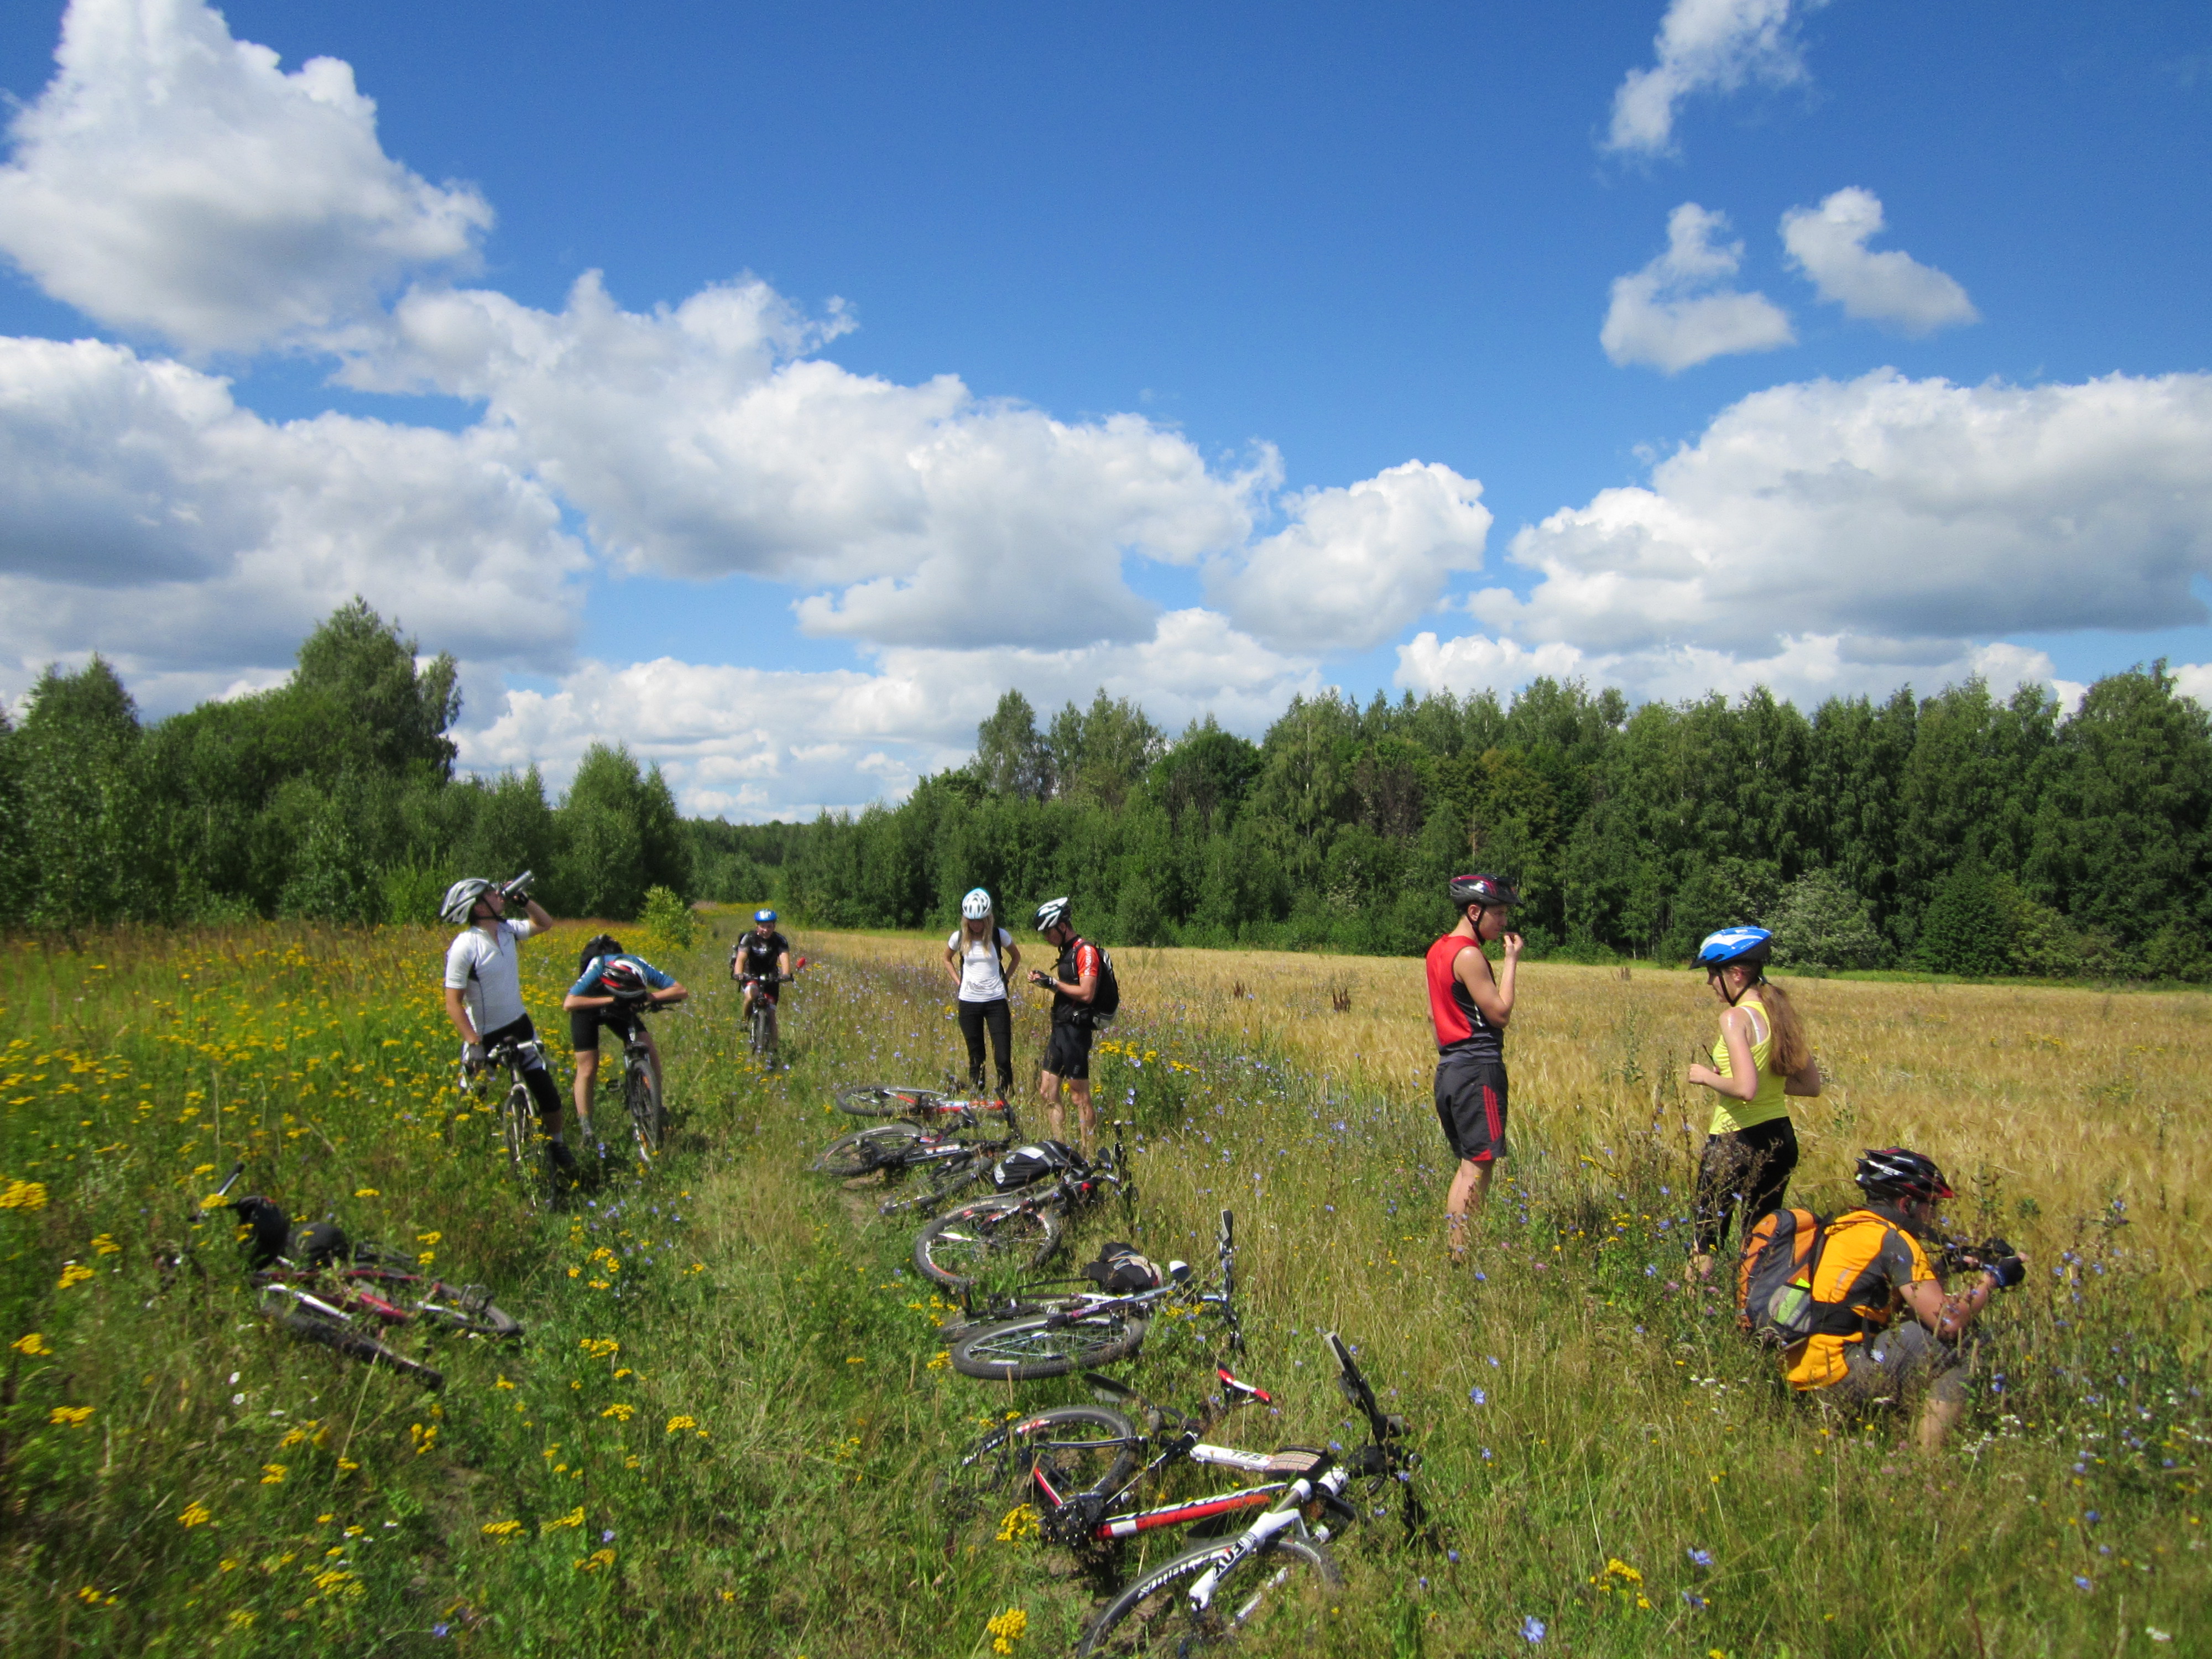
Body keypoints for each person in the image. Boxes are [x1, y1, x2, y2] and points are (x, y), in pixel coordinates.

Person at [1785, 1148, 2025, 1452]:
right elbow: (1947, 1322)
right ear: (1907, 1204)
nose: (1934, 1215)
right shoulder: (1894, 1238)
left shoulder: (1843, 1227)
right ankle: (1928, 1459)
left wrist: (1946, 1267)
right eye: (1932, 1205)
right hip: (1842, 1374)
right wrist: (1993, 1279)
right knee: (1969, 1341)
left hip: (1803, 1372)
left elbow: (1887, 1308)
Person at [1684, 926, 1820, 1280]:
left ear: (1736, 974)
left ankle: (1691, 1304)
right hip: (1779, 1139)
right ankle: (1756, 1306)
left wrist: (1706, 1076)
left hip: (1735, 1141)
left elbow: (1745, 1089)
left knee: (1705, 1239)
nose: (1709, 982)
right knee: (1760, 1241)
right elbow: (1810, 1085)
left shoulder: (1734, 1018)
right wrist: (1760, 1083)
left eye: (1712, 973)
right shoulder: (1779, 1013)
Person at [440, 875, 575, 1183]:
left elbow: (544, 923)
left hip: (519, 1025)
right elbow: (453, 1003)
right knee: (471, 1102)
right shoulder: (464, 946)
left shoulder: (507, 930)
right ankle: (464, 1155)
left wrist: (524, 902)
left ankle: (557, 1144)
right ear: (478, 907)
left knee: (547, 1093)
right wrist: (474, 1043)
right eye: (490, 894)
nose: (498, 895)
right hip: (484, 1035)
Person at [1424, 873, 1522, 1261]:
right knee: (1479, 1167)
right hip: (1478, 1069)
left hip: (1450, 1068)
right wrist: (1511, 962)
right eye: (1499, 914)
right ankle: (1463, 1252)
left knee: (1468, 1167)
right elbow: (1500, 1013)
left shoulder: (1438, 951)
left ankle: (1457, 1250)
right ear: (1475, 911)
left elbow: (1433, 1018)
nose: (1504, 922)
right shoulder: (1468, 954)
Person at [562, 933, 688, 1146]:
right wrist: (612, 999)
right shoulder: (598, 967)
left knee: (649, 1049)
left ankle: (655, 1104)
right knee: (588, 1068)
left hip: (622, 1005)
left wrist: (646, 997)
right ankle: (586, 1128)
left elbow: (681, 990)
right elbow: (570, 1003)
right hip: (587, 1008)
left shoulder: (637, 963)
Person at [1027, 896, 1102, 1152]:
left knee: (1079, 1096)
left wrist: (1054, 983)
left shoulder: (1086, 951)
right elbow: (1067, 990)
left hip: (1076, 1031)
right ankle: (1060, 1149)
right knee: (1047, 1092)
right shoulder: (1067, 952)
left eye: (1048, 932)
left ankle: (1087, 1153)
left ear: (1062, 926)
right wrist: (1045, 982)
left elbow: (1087, 993)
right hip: (1059, 1029)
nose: (1046, 938)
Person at [944, 888, 1019, 1099]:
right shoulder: (959, 937)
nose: (976, 925)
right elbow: (946, 959)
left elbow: (1016, 957)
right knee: (976, 1057)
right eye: (972, 920)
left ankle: (1007, 1098)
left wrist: (1005, 979)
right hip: (969, 1003)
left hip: (996, 1002)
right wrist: (959, 982)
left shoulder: (999, 935)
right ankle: (979, 1098)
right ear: (965, 919)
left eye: (980, 920)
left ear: (988, 918)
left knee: (1003, 1057)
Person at [732, 909, 792, 1023]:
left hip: (771, 974)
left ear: (774, 926)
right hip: (750, 972)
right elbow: (741, 959)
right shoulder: (749, 938)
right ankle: (745, 1022)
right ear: (757, 926)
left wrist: (786, 974)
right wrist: (739, 973)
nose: (766, 930)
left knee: (771, 1013)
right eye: (763, 926)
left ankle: (772, 1036)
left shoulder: (780, 940)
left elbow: (784, 958)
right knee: (751, 996)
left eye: (769, 927)